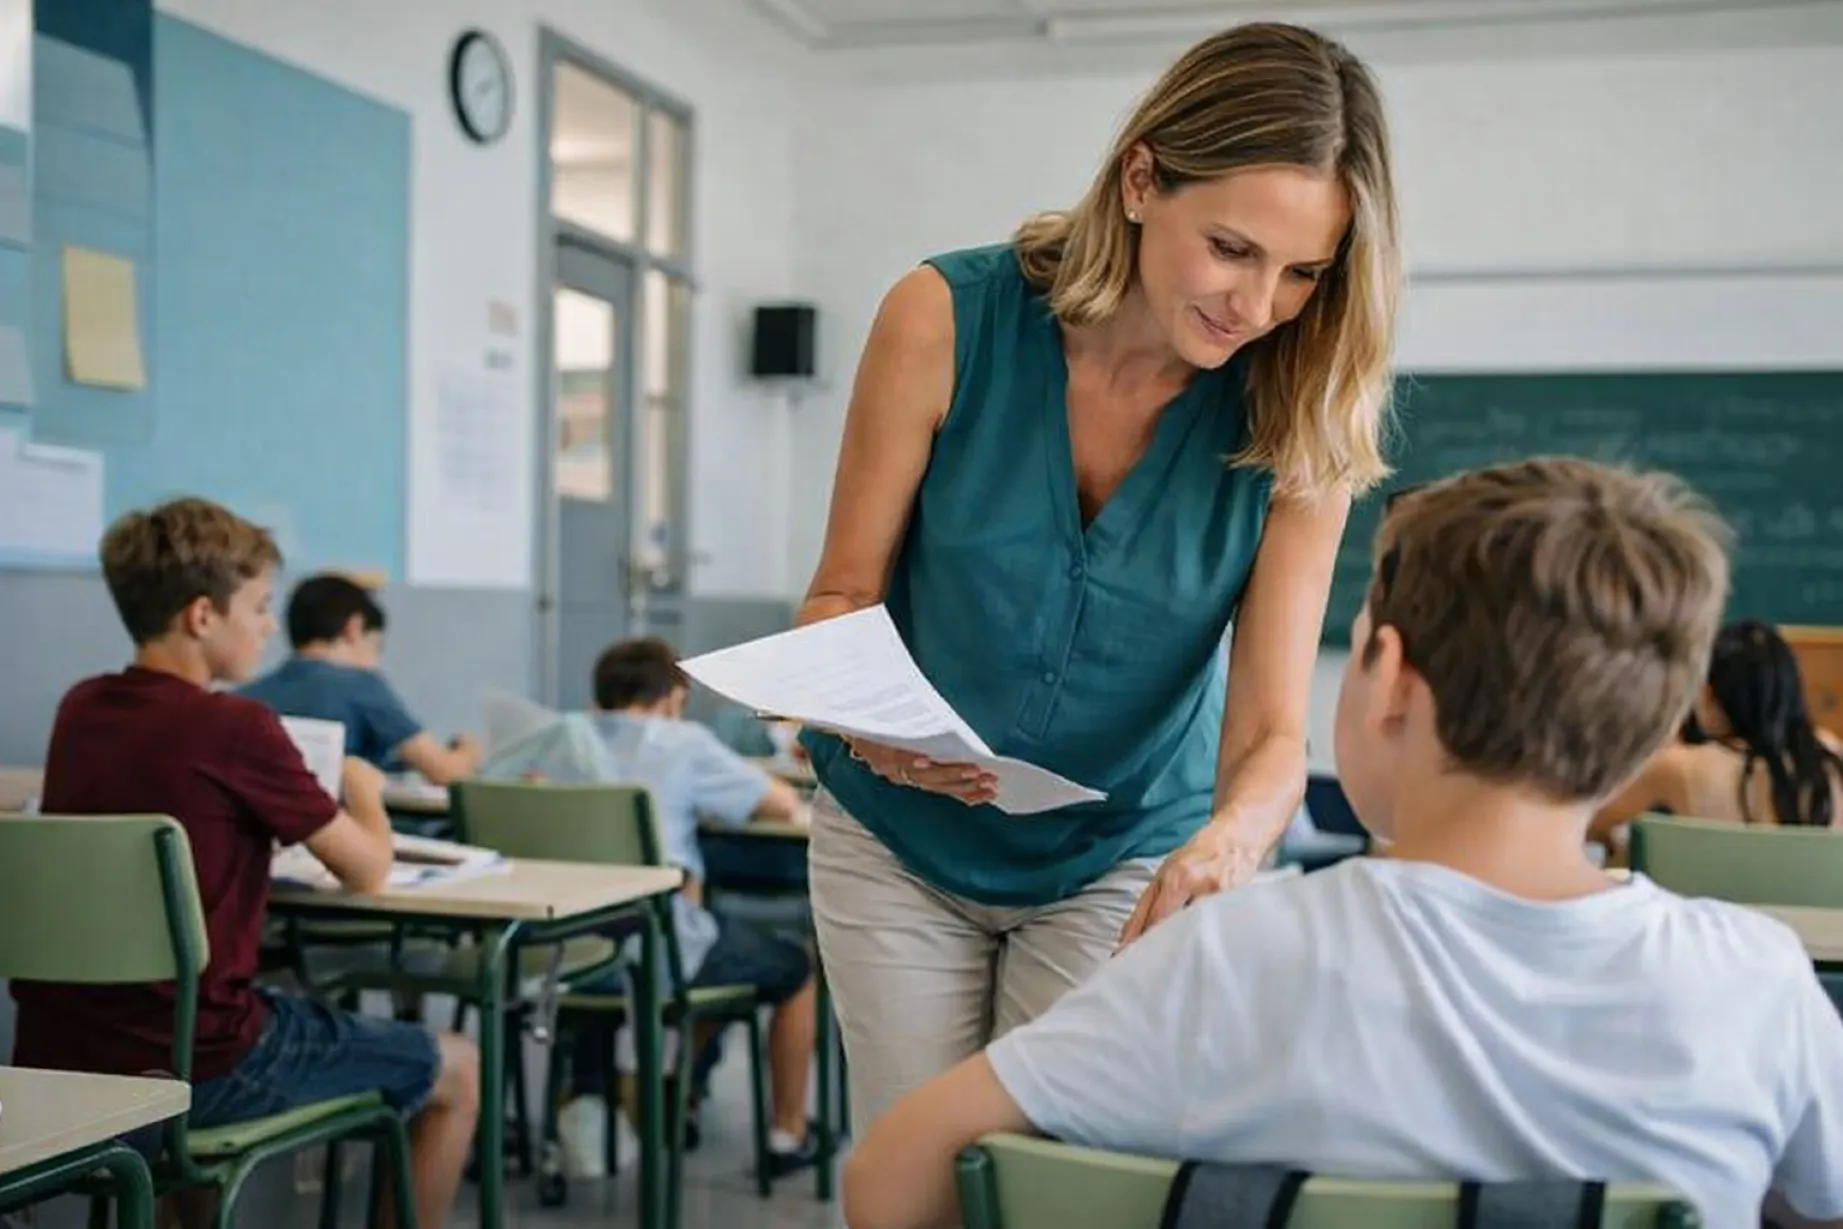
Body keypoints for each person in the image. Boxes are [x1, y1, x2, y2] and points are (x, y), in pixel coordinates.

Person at [842, 457, 1843, 1229]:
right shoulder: (1752, 984)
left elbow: (889, 1185)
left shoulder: (1226, 959)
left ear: (1391, 676)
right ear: (1651, 719)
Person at [797, 20, 1402, 1127]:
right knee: (912, 1166)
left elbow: (1273, 735)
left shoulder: (1297, 418)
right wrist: (865, 720)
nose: (1257, 304)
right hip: (895, 836)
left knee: (1050, 1171)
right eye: (1231, 248)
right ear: (1139, 179)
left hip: (1126, 852)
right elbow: (840, 596)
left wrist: (1228, 843)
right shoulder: (942, 316)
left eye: (1303, 272)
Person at [11, 497, 479, 1229]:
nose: (268, 625)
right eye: (259, 606)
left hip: (65, 1054)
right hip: (205, 1063)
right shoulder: (236, 725)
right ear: (203, 616)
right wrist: (363, 788)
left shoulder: (81, 708)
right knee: (456, 1065)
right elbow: (367, 870)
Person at [558, 637, 821, 1175]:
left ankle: (677, 1093)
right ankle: (787, 1136)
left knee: (720, 941)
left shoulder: (562, 741)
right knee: (792, 969)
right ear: (674, 697)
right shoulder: (682, 742)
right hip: (657, 947)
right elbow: (781, 804)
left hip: (565, 954)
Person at [1591, 619, 1843, 852]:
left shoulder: (1679, 767)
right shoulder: (1829, 758)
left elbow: (1588, 820)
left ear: (1710, 695)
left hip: (1708, 900)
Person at [242, 573, 481, 783]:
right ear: (354, 629)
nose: (376, 663)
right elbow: (444, 772)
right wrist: (468, 749)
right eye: (377, 647)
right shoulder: (361, 685)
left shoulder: (245, 696)